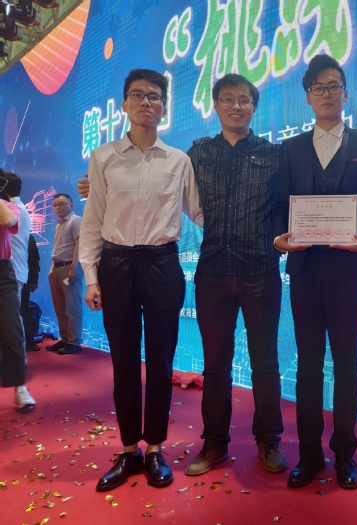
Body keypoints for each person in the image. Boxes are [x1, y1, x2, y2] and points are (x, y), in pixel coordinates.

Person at [80, 69, 203, 492]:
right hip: (116, 265)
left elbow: (200, 212)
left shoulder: (179, 161)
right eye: (138, 95)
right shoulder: (103, 157)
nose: (146, 102)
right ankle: (129, 448)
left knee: (162, 361)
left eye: (154, 96)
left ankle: (155, 448)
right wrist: (91, 276)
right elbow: (93, 219)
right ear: (124, 105)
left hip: (163, 265)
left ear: (164, 108)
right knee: (124, 361)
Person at [273, 54, 357, 490]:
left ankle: (345, 454)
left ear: (345, 93)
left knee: (346, 363)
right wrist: (280, 238)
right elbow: (280, 208)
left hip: (347, 270)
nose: (325, 93)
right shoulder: (290, 149)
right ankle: (309, 454)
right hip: (304, 269)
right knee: (307, 365)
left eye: (333, 86)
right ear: (307, 97)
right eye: (317, 87)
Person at [183, 73, 286, 476]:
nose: (236, 106)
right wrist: (100, 184)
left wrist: (281, 235)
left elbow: (285, 206)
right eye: (228, 99)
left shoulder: (272, 154)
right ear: (216, 105)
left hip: (261, 270)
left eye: (244, 99)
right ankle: (214, 443)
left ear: (254, 107)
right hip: (212, 271)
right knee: (215, 366)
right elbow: (165, 187)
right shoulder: (199, 153)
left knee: (265, 363)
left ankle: (268, 441)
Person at [0, 170, 36, 409]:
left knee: (12, 330)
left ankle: (19, 387)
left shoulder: (9, 207)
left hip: (3, 273)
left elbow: (9, 222)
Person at [46, 193, 83, 355]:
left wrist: (74, 268)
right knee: (60, 306)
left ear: (71, 205)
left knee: (72, 307)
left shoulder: (75, 220)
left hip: (69, 267)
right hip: (56, 267)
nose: (57, 207)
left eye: (61, 204)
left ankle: (74, 341)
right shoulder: (59, 225)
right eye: (54, 205)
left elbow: (80, 245)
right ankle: (65, 338)